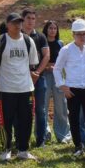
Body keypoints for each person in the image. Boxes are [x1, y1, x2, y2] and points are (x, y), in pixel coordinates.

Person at [53, 19, 85, 160]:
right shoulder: (66, 50)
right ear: (73, 35)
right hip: (72, 90)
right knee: (74, 119)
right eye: (79, 34)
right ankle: (78, 147)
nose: (83, 37)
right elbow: (57, 69)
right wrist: (62, 85)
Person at [0, 13, 39, 161]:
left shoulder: (28, 41)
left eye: (19, 22)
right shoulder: (0, 41)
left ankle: (23, 150)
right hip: (5, 88)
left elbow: (32, 63)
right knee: (5, 121)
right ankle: (6, 149)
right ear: (7, 24)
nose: (17, 25)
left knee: (26, 120)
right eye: (14, 22)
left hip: (26, 88)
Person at [19, 8, 52, 146]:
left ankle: (41, 140)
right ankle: (21, 139)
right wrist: (28, 73)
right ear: (22, 19)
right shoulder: (16, 36)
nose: (31, 21)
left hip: (39, 78)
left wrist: (37, 72)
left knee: (41, 109)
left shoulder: (40, 37)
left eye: (33, 18)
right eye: (28, 18)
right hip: (20, 78)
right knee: (21, 110)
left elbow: (46, 56)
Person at [41, 20, 72, 145]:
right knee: (43, 105)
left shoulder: (61, 44)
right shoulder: (42, 43)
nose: (52, 30)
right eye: (50, 28)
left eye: (54, 28)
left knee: (61, 106)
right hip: (45, 75)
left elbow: (64, 61)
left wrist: (57, 68)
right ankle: (44, 133)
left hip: (58, 77)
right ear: (46, 30)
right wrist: (48, 66)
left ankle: (63, 134)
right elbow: (39, 59)